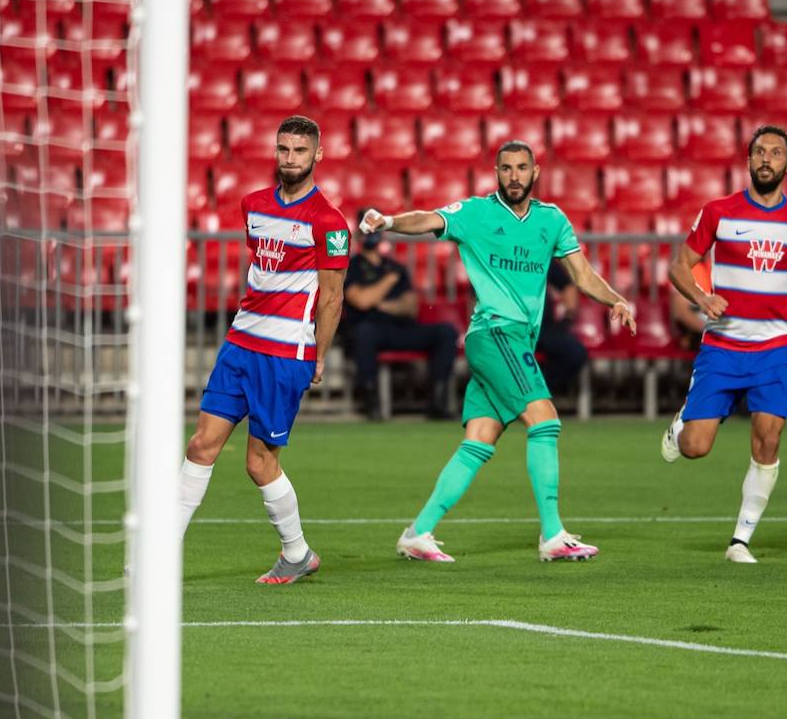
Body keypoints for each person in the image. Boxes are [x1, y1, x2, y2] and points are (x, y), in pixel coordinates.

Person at [361, 140, 637, 564]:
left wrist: (615, 299)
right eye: (506, 168)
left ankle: (418, 533)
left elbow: (581, 274)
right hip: (494, 333)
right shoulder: (477, 212)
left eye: (521, 168)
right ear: (496, 171)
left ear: (535, 172)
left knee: (479, 439)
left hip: (515, 339)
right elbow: (428, 219)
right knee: (544, 420)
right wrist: (389, 221)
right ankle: (553, 534)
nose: (513, 175)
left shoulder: (552, 220)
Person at [177, 115, 347, 585]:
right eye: (283, 150)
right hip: (239, 343)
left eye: (299, 151)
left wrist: (320, 355)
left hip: (283, 354)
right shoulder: (252, 205)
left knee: (259, 464)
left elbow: (331, 297)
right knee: (200, 445)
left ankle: (297, 553)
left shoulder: (329, 223)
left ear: (317, 155)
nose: (289, 159)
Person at [661, 125, 787, 564]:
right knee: (696, 447)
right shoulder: (719, 212)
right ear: (748, 159)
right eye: (759, 152)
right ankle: (681, 425)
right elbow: (680, 266)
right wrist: (701, 297)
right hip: (723, 346)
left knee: (768, 440)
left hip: (774, 349)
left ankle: (740, 541)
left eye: (776, 153)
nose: (767, 159)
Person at [343, 214, 457, 420]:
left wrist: (379, 303)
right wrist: (388, 282)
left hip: (401, 328)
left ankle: (437, 401)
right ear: (359, 235)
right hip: (370, 329)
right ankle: (371, 403)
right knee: (364, 333)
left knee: (446, 332)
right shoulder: (352, 267)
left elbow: (410, 307)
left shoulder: (396, 267)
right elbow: (360, 301)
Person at [535, 259, 588, 396]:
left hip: (544, 329)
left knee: (575, 352)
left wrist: (569, 315)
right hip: (509, 329)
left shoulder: (539, 255)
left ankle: (538, 392)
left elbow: (567, 285)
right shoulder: (499, 257)